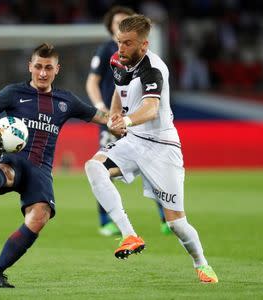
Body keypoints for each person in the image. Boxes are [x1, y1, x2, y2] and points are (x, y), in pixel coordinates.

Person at [0, 43, 110, 288]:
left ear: (57, 70)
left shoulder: (66, 100)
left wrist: (125, 121)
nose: (43, 73)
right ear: (30, 67)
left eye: (48, 68)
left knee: (40, 216)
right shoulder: (13, 93)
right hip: (15, 159)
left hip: (41, 169)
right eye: (38, 67)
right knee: (6, 174)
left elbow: (100, 117)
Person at [84, 15, 218, 283]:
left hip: (162, 147)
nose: (121, 48)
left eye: (128, 43)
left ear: (144, 45)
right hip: (133, 141)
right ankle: (128, 234)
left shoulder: (153, 68)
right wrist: (114, 118)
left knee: (176, 224)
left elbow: (151, 108)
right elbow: (117, 91)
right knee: (93, 167)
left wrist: (128, 119)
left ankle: (201, 263)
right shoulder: (116, 60)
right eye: (119, 42)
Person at [86, 6, 170, 237]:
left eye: (125, 23)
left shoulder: (146, 61)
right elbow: (93, 82)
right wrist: (102, 109)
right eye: (117, 24)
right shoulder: (106, 51)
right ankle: (107, 221)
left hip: (137, 118)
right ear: (111, 28)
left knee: (152, 167)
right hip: (113, 119)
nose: (120, 28)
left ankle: (167, 217)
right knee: (100, 167)